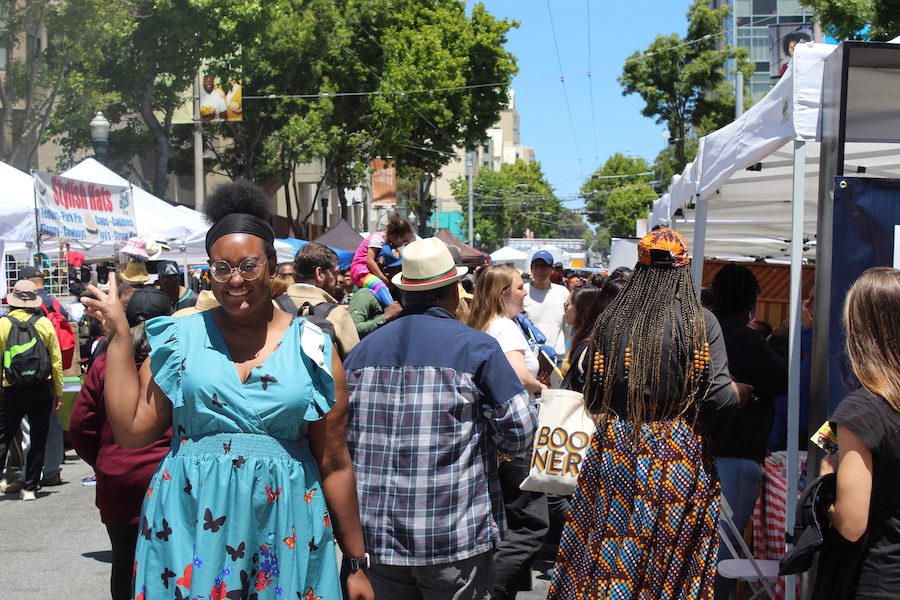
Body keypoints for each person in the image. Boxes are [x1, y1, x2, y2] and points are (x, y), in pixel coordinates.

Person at [82, 180, 373, 600]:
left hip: (284, 525)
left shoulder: (312, 346)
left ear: (272, 267)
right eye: (222, 268)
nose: (235, 279)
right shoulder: (179, 338)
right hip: (190, 523)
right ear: (209, 272)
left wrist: (356, 562)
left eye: (248, 266)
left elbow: (334, 463)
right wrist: (120, 337)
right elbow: (131, 430)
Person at [548, 229, 746, 599]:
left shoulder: (612, 321)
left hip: (617, 449)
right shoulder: (699, 322)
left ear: (640, 267)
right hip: (677, 454)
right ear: (683, 269)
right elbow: (720, 398)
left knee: (609, 551)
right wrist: (741, 392)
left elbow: (593, 393)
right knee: (666, 562)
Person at [344, 237, 538, 600]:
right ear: (452, 292)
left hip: (376, 541)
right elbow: (520, 431)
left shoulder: (360, 353)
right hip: (452, 540)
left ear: (403, 293)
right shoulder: (476, 348)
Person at [69, 287, 174, 600]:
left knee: (124, 558)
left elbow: (80, 425)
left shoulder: (104, 364)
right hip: (168, 475)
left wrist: (103, 460)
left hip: (118, 478)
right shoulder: (174, 362)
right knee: (172, 560)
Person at [816, 267, 900, 598]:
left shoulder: (862, 408)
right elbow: (826, 438)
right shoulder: (859, 408)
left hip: (873, 579)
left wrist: (826, 478)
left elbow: (851, 524)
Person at [466, 264, 548, 600]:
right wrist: (543, 389)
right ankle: (493, 590)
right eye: (518, 287)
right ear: (502, 294)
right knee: (531, 525)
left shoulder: (481, 325)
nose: (525, 291)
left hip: (493, 436)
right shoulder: (505, 328)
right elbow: (519, 377)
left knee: (510, 523)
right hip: (516, 437)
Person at [709, 264, 788, 599]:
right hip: (735, 455)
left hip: (702, 452)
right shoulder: (743, 339)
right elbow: (786, 380)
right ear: (750, 303)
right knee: (724, 549)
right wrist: (783, 339)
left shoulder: (706, 332)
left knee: (710, 544)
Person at [0, 280, 64, 500]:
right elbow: (56, 361)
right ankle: (30, 487)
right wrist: (58, 392)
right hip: (41, 388)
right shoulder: (44, 323)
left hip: (10, 389)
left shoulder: (3, 324)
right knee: (38, 438)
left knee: (3, 438)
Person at [16, 265, 68, 487]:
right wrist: (58, 390)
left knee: (29, 427)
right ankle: (52, 471)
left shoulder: (10, 317)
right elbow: (56, 357)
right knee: (52, 425)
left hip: (18, 378)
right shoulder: (54, 304)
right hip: (46, 375)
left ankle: (30, 473)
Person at [281, 243, 360, 359]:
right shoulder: (337, 315)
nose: (336, 279)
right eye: (335, 273)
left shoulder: (272, 308)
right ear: (319, 274)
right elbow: (354, 363)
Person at [562, 280, 623, 393]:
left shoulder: (588, 346)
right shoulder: (583, 340)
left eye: (568, 304)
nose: (565, 309)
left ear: (581, 309)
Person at [349, 213, 414, 308]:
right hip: (361, 271)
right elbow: (370, 260)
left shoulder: (388, 243)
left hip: (369, 271)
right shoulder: (377, 239)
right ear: (393, 235)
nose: (401, 244)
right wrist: (382, 277)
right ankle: (393, 307)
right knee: (380, 286)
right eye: (402, 241)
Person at [348, 244, 403, 338]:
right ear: (385, 271)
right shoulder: (365, 295)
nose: (401, 271)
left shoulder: (397, 292)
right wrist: (385, 317)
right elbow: (353, 330)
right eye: (397, 268)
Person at [523, 251, 568, 361]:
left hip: (557, 358)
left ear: (551, 269)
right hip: (530, 357)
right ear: (531, 268)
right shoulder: (523, 292)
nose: (539, 271)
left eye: (543, 267)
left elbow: (567, 326)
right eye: (536, 266)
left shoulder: (563, 293)